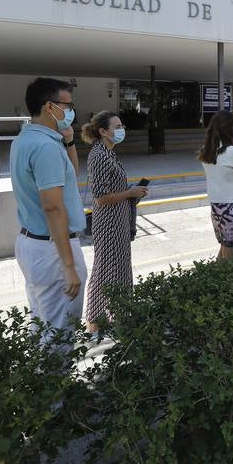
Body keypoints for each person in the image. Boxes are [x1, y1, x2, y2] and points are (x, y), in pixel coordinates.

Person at [10, 77, 87, 338]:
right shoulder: (44, 147)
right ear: (49, 107)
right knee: (60, 332)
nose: (71, 111)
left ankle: (39, 377)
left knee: (41, 324)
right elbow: (53, 208)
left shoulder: (27, 139)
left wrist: (69, 142)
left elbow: (68, 178)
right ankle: (56, 378)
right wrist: (68, 266)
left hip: (34, 244)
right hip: (53, 249)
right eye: (68, 105)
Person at [81, 112, 147, 331]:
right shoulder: (99, 155)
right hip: (108, 223)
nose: (121, 129)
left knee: (119, 269)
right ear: (103, 131)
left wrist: (132, 193)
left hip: (118, 220)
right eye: (117, 126)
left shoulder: (109, 153)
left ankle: (118, 315)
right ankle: (95, 323)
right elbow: (100, 197)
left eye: (122, 125)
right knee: (105, 271)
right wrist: (129, 193)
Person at [199, 110, 233, 260]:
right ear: (231, 129)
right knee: (231, 245)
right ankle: (229, 278)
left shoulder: (206, 151)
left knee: (225, 242)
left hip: (217, 205)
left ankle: (217, 270)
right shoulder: (232, 151)